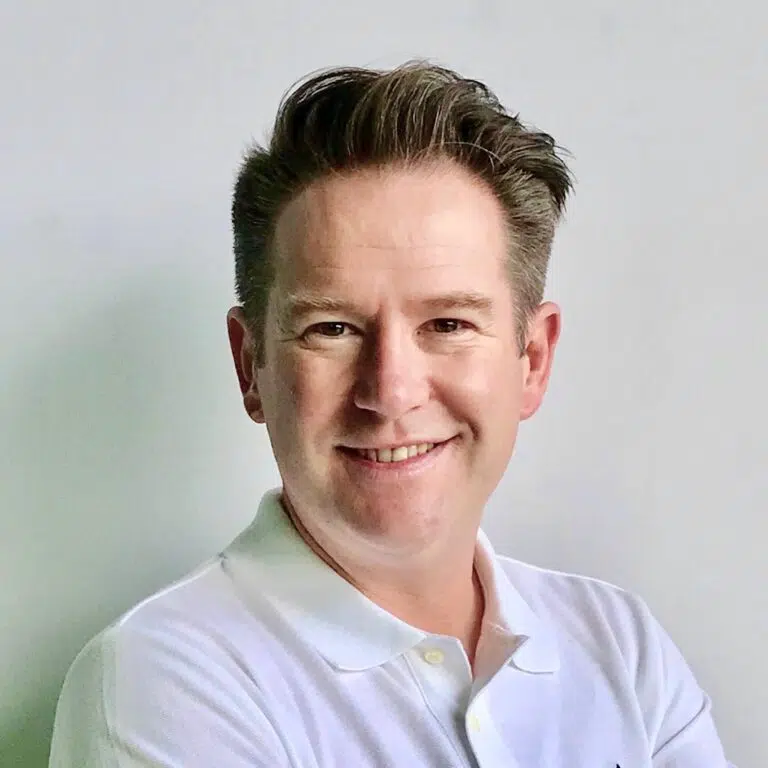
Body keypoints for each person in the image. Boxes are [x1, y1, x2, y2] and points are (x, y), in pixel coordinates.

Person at [49, 61, 732, 767]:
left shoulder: (623, 647)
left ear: (532, 359)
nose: (391, 390)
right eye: (332, 329)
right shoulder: (163, 682)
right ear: (251, 365)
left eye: (448, 324)